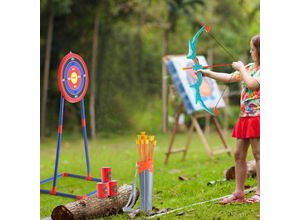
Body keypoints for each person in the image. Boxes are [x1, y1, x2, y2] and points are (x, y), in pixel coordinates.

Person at [199, 35, 260, 204]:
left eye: (253, 49)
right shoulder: (248, 67)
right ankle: (239, 193)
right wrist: (206, 73)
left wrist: (241, 68)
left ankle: (260, 192)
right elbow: (228, 78)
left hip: (258, 117)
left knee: (258, 154)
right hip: (245, 117)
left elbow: (252, 84)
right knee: (239, 154)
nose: (250, 52)